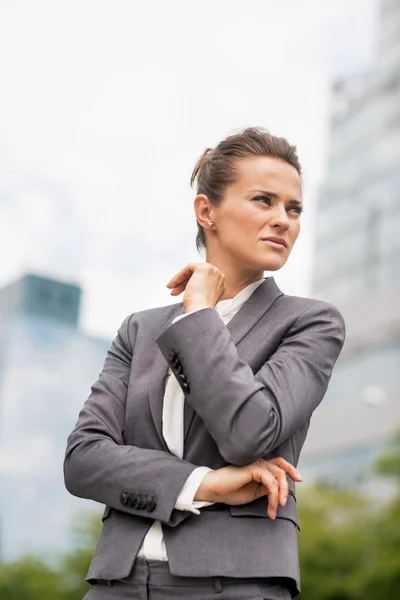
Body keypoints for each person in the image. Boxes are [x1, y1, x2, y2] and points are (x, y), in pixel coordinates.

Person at [64, 127, 346, 599]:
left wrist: (199, 315)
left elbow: (249, 432)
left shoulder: (310, 323)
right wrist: (206, 484)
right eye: (263, 200)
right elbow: (83, 460)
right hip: (117, 581)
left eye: (293, 208)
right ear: (206, 211)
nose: (283, 220)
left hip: (236, 582)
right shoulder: (141, 329)